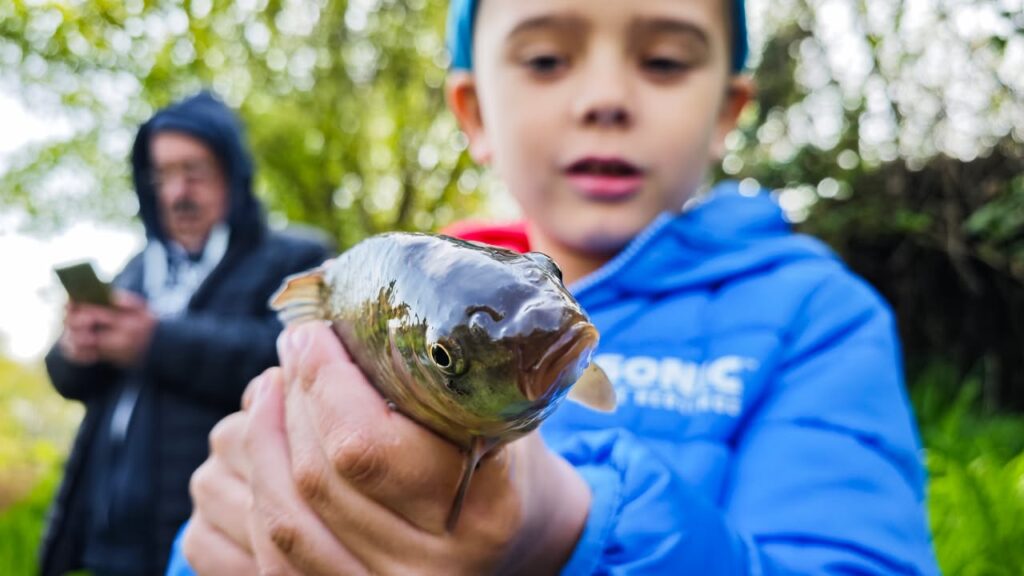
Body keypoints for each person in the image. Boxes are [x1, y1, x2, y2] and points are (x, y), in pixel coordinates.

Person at [172, 0, 941, 574]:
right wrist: (234, 531)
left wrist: (566, 535)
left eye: (665, 60)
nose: (603, 99)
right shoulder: (400, 306)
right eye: (545, 59)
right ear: (473, 113)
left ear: (727, 113)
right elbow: (257, 494)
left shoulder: (819, 318)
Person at [41, 91, 332, 576]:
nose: (177, 193)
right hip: (109, 541)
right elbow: (74, 384)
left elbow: (292, 358)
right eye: (162, 176)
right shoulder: (137, 270)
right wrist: (76, 349)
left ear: (233, 175)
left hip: (212, 542)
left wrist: (155, 342)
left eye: (193, 171)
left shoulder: (292, 258)